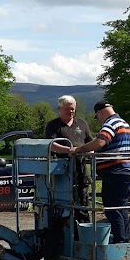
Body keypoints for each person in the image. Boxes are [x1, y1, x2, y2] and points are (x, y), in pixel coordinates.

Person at [52, 101, 130, 243]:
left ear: (101, 112)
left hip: (115, 172)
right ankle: (123, 239)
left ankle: (120, 241)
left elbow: (100, 142)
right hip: (126, 172)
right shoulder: (123, 123)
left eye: (98, 116)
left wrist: (78, 150)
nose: (99, 120)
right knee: (121, 208)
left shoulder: (111, 123)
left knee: (112, 208)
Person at [45, 95, 93, 223]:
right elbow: (51, 145)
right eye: (68, 109)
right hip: (61, 172)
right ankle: (63, 234)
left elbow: (90, 143)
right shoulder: (53, 125)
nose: (71, 111)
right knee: (62, 205)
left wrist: (88, 152)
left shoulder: (82, 124)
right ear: (60, 109)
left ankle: (82, 233)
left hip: (81, 170)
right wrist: (69, 150)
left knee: (82, 202)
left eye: (73, 109)